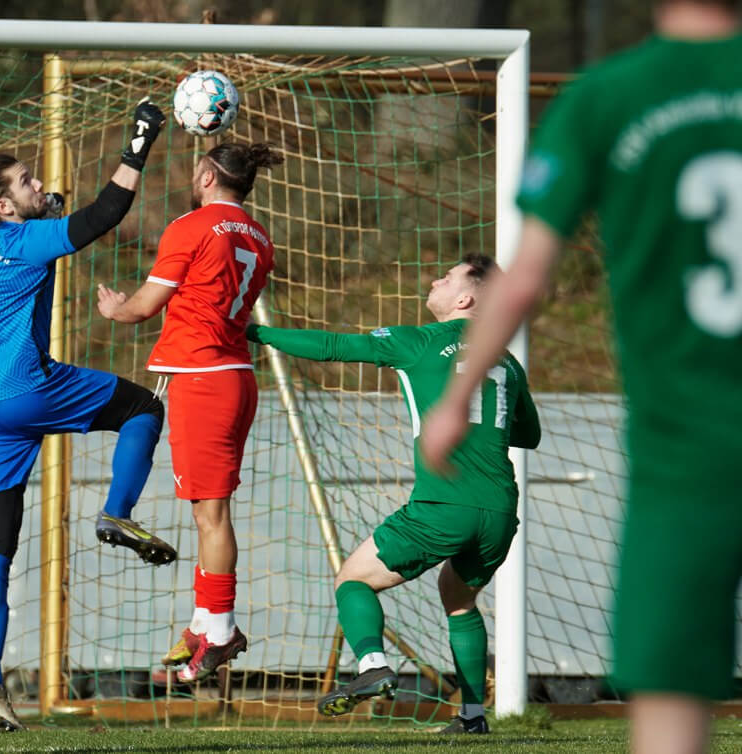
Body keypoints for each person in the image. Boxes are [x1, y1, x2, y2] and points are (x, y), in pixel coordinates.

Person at [420, 2, 742, 751]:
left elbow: (525, 280)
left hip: (684, 449)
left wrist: (456, 398)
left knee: (668, 700)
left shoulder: (607, 95)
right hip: (686, 445)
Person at [247, 254, 540, 732]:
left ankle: (371, 667)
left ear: (465, 299)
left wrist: (255, 334)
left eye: (447, 277)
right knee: (459, 599)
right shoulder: (505, 360)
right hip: (500, 510)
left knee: (353, 580)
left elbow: (332, 345)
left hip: (445, 504)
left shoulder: (420, 341)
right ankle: (472, 716)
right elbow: (528, 435)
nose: (435, 280)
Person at [0, 98, 171, 731]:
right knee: (143, 407)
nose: (38, 185)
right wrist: (138, 144)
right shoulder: (23, 241)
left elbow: (41, 216)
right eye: (26, 181)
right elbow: (107, 213)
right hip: (27, 386)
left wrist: (42, 201)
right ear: (3, 206)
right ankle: (118, 513)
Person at [97, 142, 283, 683]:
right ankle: (205, 621)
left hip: (205, 380)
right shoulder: (259, 235)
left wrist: (117, 308)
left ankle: (222, 630)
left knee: (212, 515)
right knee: (207, 512)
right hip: (234, 376)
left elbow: (143, 306)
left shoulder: (191, 227)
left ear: (205, 175)